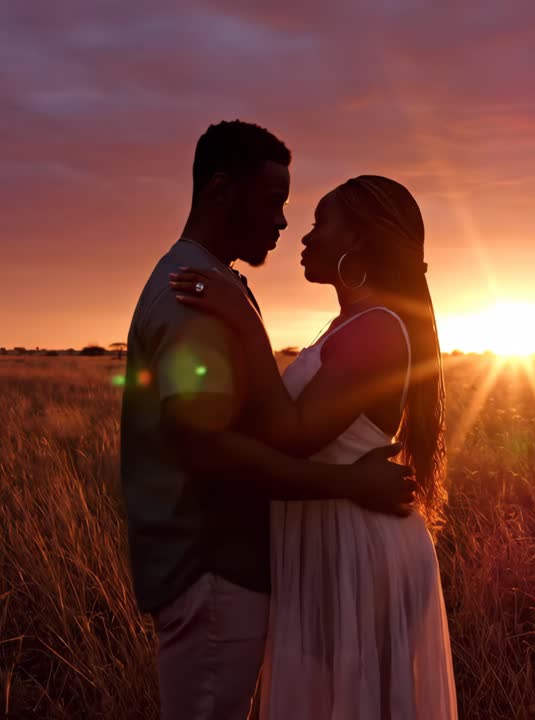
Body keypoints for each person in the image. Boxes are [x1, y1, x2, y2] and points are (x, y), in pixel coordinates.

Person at [120, 122, 417, 720]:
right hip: (212, 564)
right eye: (274, 202)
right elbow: (206, 449)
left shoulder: (214, 289)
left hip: (260, 560)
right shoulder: (195, 296)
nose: (285, 223)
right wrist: (349, 483)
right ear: (223, 193)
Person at [170, 175, 457, 718]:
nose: (304, 236)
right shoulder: (352, 324)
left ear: (360, 240)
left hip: (356, 550)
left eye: (321, 222)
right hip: (335, 539)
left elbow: (291, 435)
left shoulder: (376, 329)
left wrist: (241, 316)